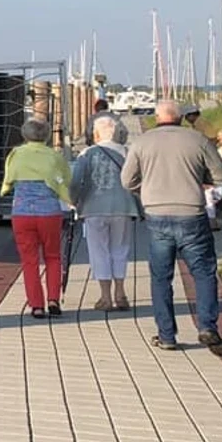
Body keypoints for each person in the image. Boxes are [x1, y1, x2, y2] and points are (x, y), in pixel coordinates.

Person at [121, 99, 222, 355]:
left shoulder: (142, 143)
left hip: (157, 215)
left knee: (161, 277)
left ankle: (167, 335)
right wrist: (199, 179)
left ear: (156, 117)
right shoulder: (198, 140)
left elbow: (127, 181)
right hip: (192, 214)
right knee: (203, 272)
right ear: (181, 117)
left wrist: (145, 190)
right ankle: (207, 326)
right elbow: (221, 176)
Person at [0, 116, 74, 318]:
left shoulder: (16, 154)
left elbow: (8, 180)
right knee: (53, 256)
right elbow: (66, 179)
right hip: (49, 213)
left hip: (22, 213)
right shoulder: (54, 156)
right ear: (47, 136)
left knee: (29, 260)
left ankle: (36, 305)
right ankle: (53, 299)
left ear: (25, 135)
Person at [70, 115, 144, 311]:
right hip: (123, 207)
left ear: (95, 134)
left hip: (93, 207)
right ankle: (121, 293)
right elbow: (138, 179)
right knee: (120, 249)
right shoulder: (127, 152)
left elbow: (76, 181)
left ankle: (105, 297)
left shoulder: (86, 154)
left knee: (99, 251)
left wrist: (72, 200)